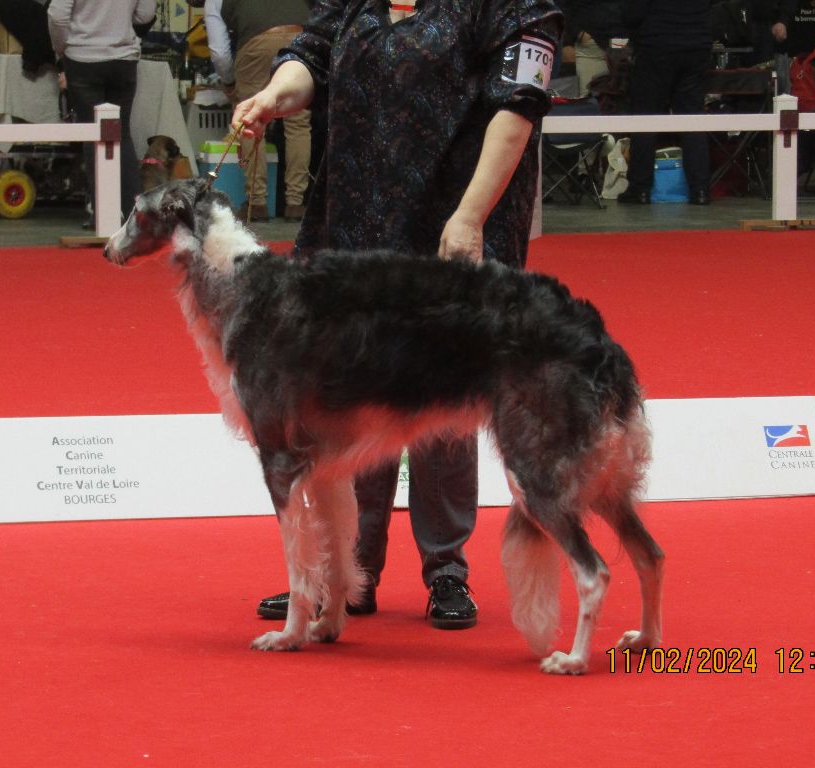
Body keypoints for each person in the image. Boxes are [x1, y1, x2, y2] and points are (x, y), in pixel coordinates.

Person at [234, 0, 564, 629]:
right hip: (354, 226)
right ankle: (347, 577)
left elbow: (517, 108)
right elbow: (310, 57)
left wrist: (469, 217)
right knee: (346, 401)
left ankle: (446, 570)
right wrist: (277, 94)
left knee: (443, 401)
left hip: (451, 222)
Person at [47, 0, 156, 222]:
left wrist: (61, 49)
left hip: (82, 58)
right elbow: (146, 14)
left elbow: (57, 15)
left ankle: (103, 214)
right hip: (124, 58)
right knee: (121, 135)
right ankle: (135, 212)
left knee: (94, 136)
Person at [204, 0, 312, 222]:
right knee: (298, 123)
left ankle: (258, 203)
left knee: (251, 118)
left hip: (256, 46)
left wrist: (229, 82)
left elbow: (219, 52)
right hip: (300, 39)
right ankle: (295, 203)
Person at [616, 0, 713, 206]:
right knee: (693, 119)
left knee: (646, 118)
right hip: (697, 43)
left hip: (657, 44)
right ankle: (700, 190)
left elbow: (633, 12)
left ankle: (640, 188)